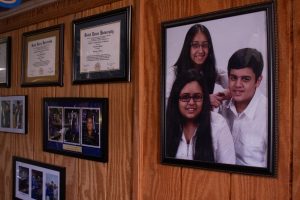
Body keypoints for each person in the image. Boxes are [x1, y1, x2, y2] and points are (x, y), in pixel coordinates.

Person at [166, 69, 235, 164]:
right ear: (176, 99)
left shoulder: (218, 124)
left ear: (204, 98)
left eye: (197, 97)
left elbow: (228, 171)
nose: (191, 102)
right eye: (185, 97)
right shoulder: (165, 123)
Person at [219, 48, 268, 167]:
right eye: (233, 78)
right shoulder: (223, 107)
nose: (237, 85)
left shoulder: (268, 115)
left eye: (245, 79)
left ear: (258, 80)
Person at [166, 24, 229, 108]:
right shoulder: (174, 72)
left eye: (205, 45)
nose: (201, 50)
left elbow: (235, 86)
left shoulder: (213, 70)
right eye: (195, 45)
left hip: (205, 119)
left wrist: (223, 94)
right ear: (188, 47)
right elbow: (167, 103)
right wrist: (206, 100)